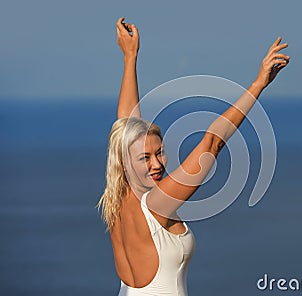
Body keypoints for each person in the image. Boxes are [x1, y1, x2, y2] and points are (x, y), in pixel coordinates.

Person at [97, 17, 290, 296]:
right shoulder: (156, 204)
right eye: (145, 158)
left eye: (159, 152)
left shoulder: (117, 195)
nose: (157, 164)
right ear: (127, 160)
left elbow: (126, 123)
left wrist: (129, 57)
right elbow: (212, 143)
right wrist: (258, 85)